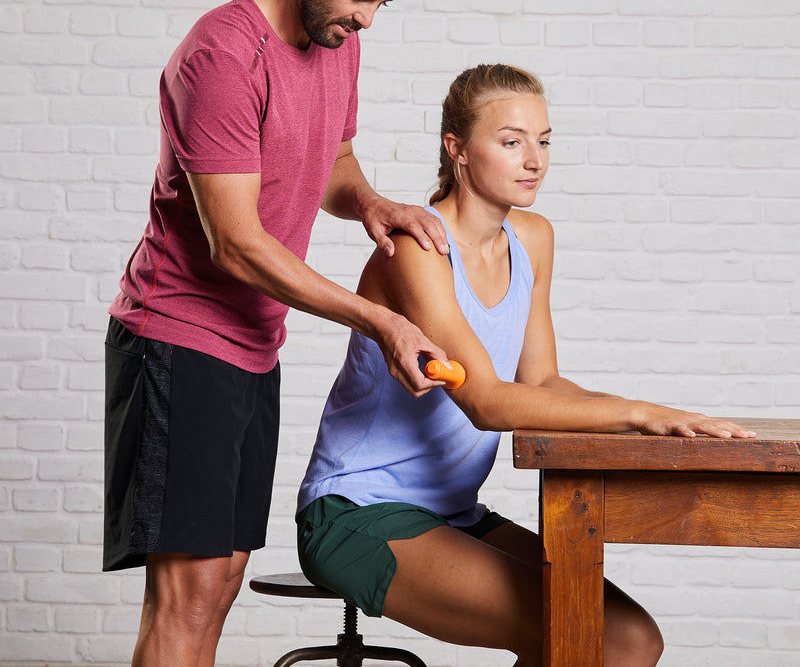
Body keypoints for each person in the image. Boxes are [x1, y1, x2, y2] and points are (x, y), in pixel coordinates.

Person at [296, 63, 757, 667]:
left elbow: (541, 381)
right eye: (512, 142)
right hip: (357, 512)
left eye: (543, 141)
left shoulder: (533, 239)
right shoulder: (416, 248)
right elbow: (486, 400)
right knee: (592, 636)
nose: (534, 160)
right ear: (457, 149)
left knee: (632, 639)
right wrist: (638, 414)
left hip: (453, 513)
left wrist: (667, 418)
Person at [103, 0, 454, 667]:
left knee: (220, 581)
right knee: (188, 593)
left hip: (253, 347)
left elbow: (333, 160)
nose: (366, 19)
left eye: (382, 5)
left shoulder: (337, 42)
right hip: (178, 340)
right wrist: (381, 321)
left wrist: (371, 203)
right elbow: (236, 244)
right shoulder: (223, 56)